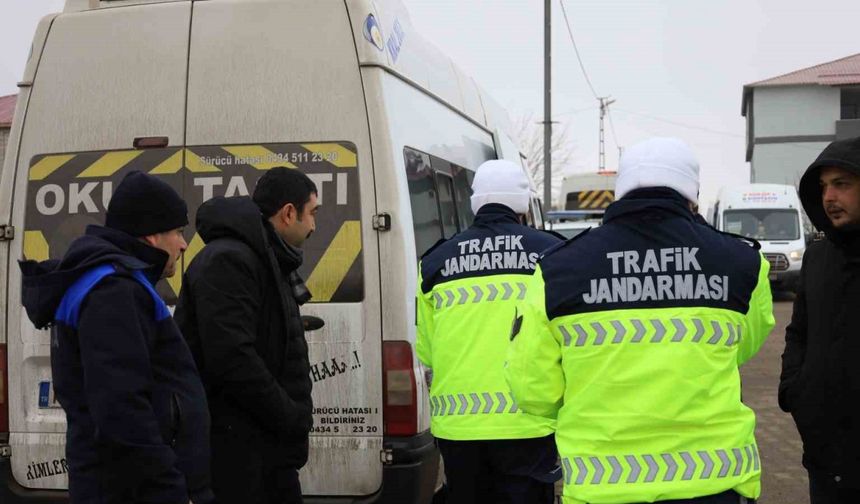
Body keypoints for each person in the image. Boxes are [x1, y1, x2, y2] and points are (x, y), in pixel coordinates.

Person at [507, 137, 775, 504]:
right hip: (714, 483)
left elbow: (532, 390)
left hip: (602, 487)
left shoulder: (556, 270)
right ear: (693, 194)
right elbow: (741, 347)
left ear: (619, 193)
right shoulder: (743, 263)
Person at [19, 171, 213, 504]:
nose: (183, 245)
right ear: (152, 235)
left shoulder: (113, 282)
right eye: (178, 232)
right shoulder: (114, 290)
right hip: (132, 490)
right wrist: (168, 487)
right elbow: (120, 407)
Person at [415, 159, 563, 504]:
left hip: (459, 429)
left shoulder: (435, 262)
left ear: (474, 201)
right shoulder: (552, 253)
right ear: (523, 202)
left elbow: (427, 350)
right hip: (528, 424)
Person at [175, 167, 318, 504]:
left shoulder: (266, 259)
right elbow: (232, 358)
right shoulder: (231, 260)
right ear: (287, 213)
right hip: (241, 454)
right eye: (312, 213)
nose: (313, 226)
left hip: (264, 450)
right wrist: (289, 416)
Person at [779, 136, 860, 504]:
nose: (829, 197)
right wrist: (794, 388)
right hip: (826, 456)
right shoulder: (818, 258)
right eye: (823, 187)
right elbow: (799, 333)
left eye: (842, 184)